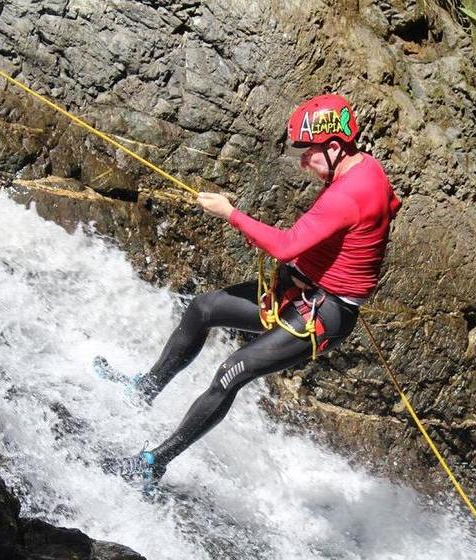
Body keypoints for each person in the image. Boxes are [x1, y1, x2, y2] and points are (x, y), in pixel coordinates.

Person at [102, 93, 401, 485]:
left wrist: (231, 214)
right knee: (204, 308)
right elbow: (387, 207)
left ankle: (151, 465)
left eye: (307, 151)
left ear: (332, 146)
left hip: (325, 313)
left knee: (231, 372)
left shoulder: (348, 193)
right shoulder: (366, 171)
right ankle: (146, 389)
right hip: (305, 288)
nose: (301, 161)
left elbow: (285, 245)